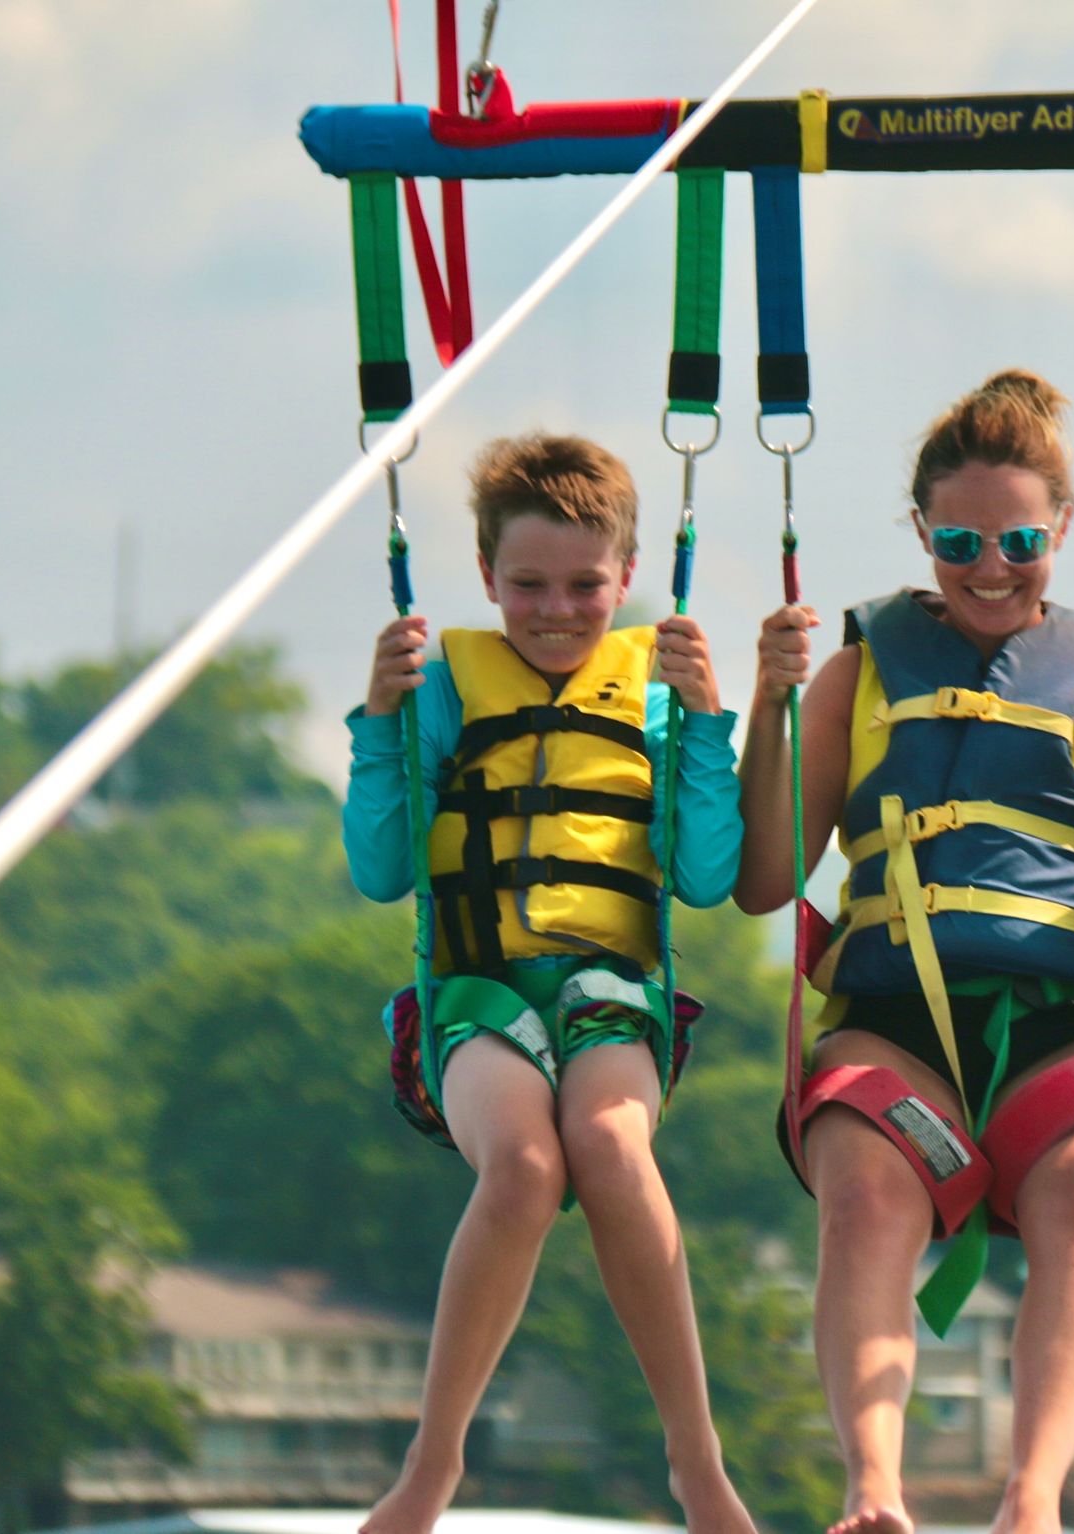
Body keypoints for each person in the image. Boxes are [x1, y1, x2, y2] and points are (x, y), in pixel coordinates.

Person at [736, 371, 1074, 1534]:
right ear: (922, 531)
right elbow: (766, 880)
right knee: (866, 1193)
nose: (990, 566)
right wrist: (764, 716)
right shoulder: (857, 669)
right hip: (895, 1020)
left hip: (1065, 1027)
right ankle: (874, 1490)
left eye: (1020, 539)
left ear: (1063, 528)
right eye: (959, 539)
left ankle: (1032, 1500)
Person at [342, 434, 755, 1534]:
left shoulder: (659, 695)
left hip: (614, 985)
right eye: (528, 585)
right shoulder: (440, 687)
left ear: (626, 580)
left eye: (584, 585)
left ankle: (696, 1463)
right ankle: (432, 1467)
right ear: (488, 579)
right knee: (525, 1167)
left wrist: (709, 722)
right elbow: (383, 871)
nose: (557, 609)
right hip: (475, 991)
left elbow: (709, 876)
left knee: (613, 1146)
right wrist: (380, 725)